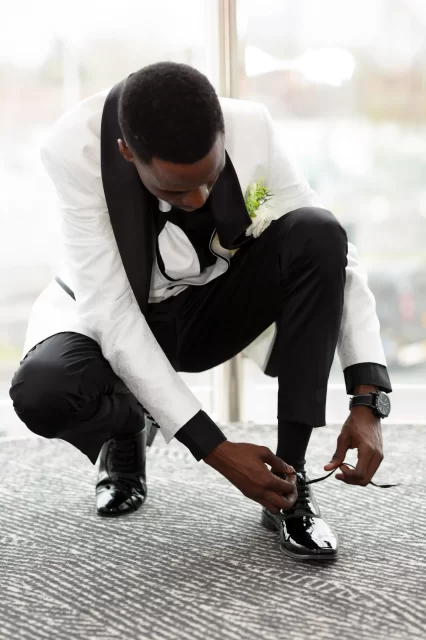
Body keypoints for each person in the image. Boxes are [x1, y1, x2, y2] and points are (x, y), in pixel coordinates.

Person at [9, 62, 392, 561]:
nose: (197, 200)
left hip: (211, 307)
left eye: (209, 180)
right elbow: (114, 315)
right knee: (42, 390)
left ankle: (289, 485)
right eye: (174, 190)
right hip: (112, 312)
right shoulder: (73, 151)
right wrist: (216, 450)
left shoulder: (252, 127)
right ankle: (127, 428)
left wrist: (368, 400)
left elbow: (335, 257)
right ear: (128, 153)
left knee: (317, 231)